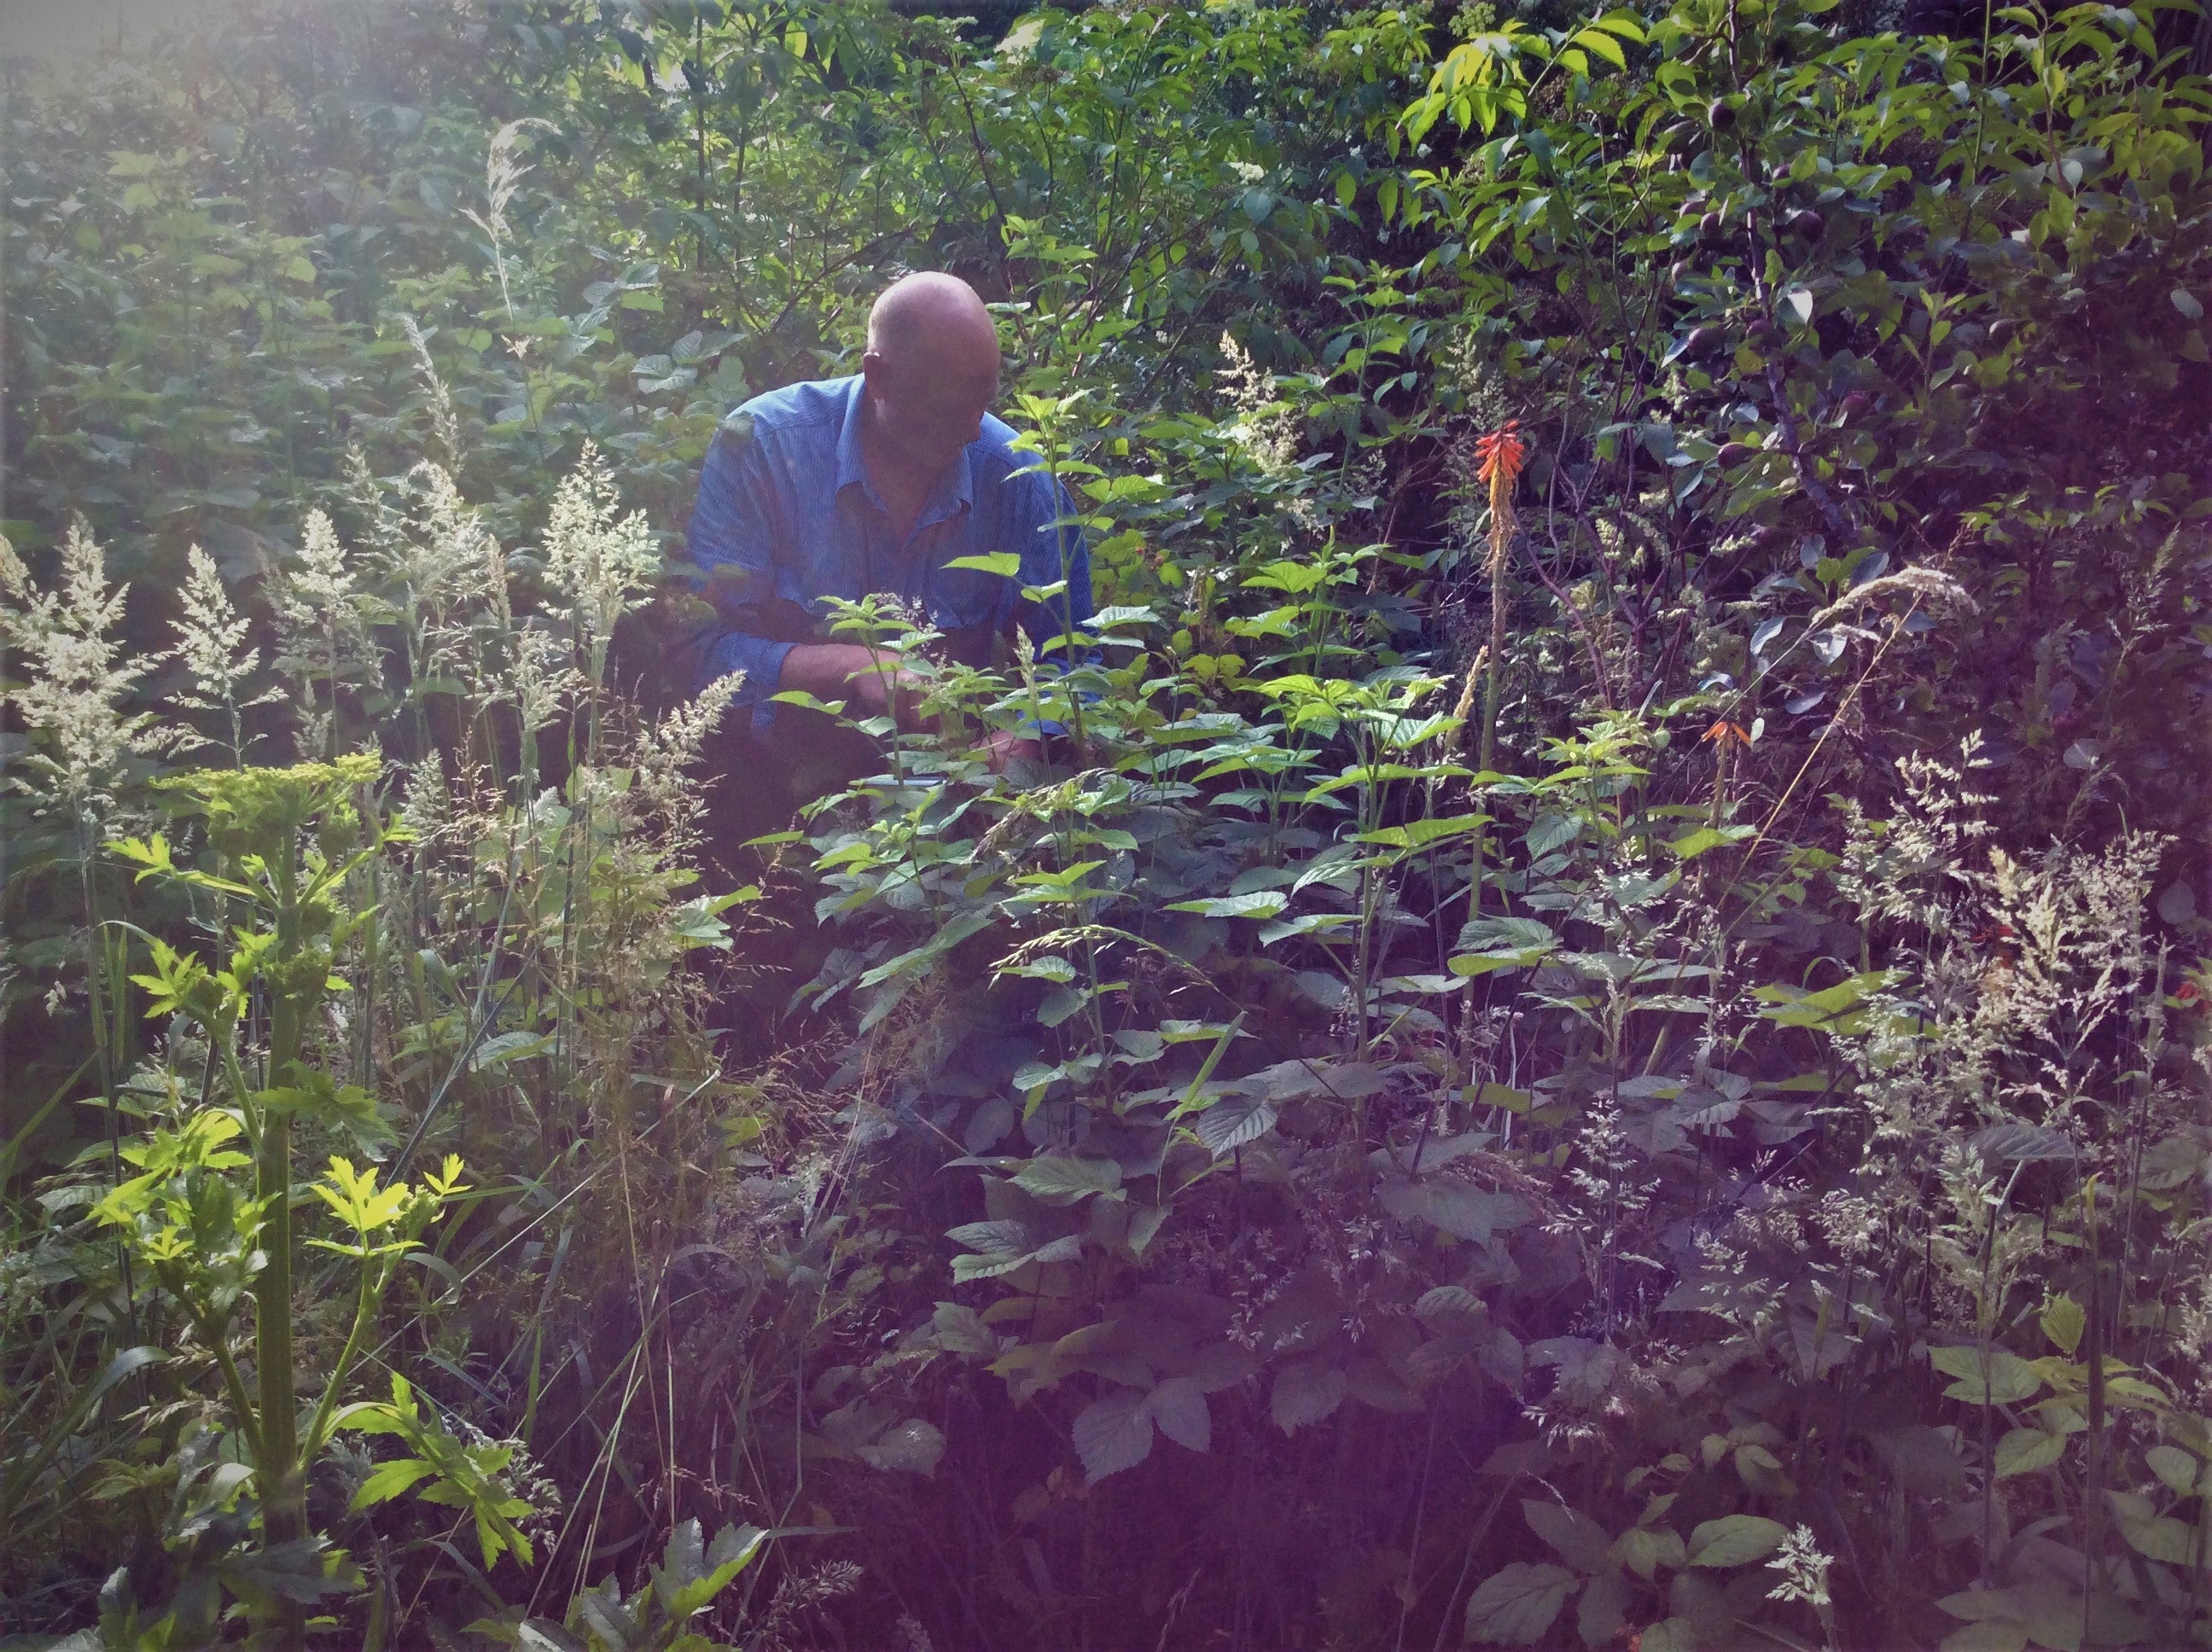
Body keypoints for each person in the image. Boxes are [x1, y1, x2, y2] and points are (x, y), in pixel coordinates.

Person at [677, 271, 1092, 850]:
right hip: (764, 815)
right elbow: (696, 658)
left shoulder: (1018, 478)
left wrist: (1025, 738)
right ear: (878, 378)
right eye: (951, 409)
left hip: (957, 821)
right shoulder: (763, 450)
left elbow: (1079, 663)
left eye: (985, 402)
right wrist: (851, 666)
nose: (974, 430)